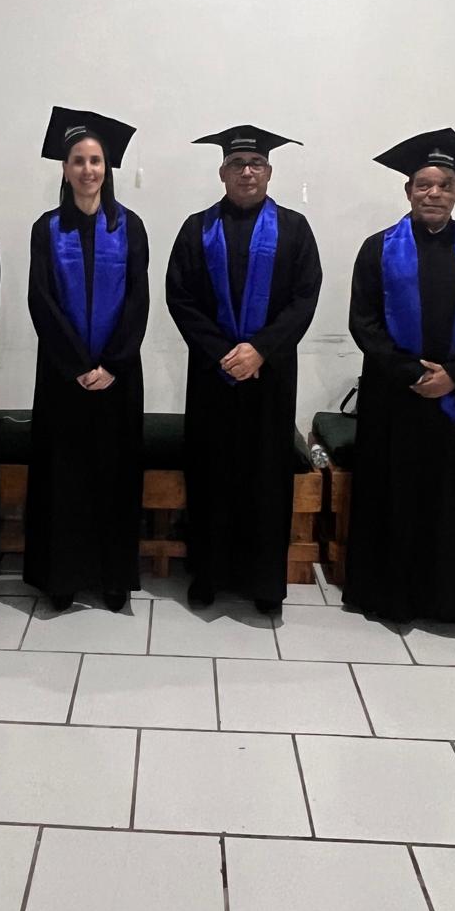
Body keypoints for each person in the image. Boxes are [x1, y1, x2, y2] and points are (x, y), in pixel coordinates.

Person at [343, 128, 455, 625]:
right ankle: (386, 596)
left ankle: (444, 601)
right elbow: (363, 321)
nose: (433, 193)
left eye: (444, 185)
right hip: (393, 395)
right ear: (408, 190)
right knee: (390, 493)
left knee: (448, 499)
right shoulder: (378, 249)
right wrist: (408, 373)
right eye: (424, 184)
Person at [166, 127, 322, 612]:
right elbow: (180, 297)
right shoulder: (197, 228)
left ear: (269, 171)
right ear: (223, 172)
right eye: (238, 164)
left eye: (256, 163)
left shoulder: (295, 229)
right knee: (211, 473)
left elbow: (304, 298)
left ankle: (264, 583)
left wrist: (260, 350)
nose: (247, 171)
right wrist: (224, 353)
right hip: (212, 377)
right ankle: (207, 575)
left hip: (270, 377)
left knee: (265, 477)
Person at [24, 107, 150, 611]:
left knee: (115, 474)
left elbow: (138, 300)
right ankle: (62, 576)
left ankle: (113, 576)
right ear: (65, 168)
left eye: (95, 160)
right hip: (63, 376)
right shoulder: (47, 228)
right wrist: (77, 365)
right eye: (78, 160)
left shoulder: (130, 226)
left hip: (118, 376)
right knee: (65, 475)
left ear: (107, 168)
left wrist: (112, 364)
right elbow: (41, 300)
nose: (88, 169)